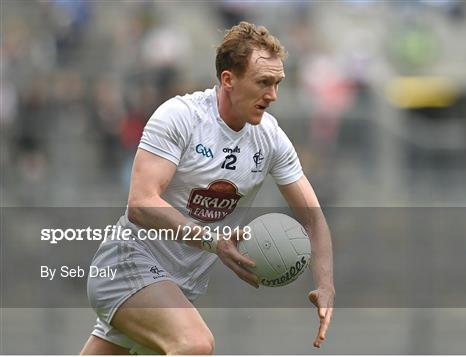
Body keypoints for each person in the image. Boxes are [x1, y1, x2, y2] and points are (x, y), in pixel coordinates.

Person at [80, 21, 334, 355]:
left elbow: (313, 219)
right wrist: (213, 241)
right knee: (195, 344)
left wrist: (326, 285)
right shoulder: (180, 117)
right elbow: (140, 204)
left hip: (177, 285)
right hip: (128, 263)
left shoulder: (270, 138)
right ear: (228, 79)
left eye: (277, 83)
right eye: (263, 82)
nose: (272, 95)